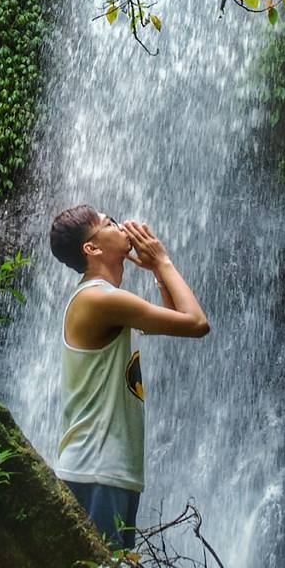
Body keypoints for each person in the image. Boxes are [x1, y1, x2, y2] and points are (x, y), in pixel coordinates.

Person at [48, 206, 210, 548]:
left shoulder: (107, 301)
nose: (121, 225)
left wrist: (156, 269)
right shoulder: (98, 299)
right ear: (91, 248)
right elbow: (196, 323)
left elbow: (172, 317)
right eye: (109, 223)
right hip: (95, 471)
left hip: (109, 472)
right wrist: (163, 261)